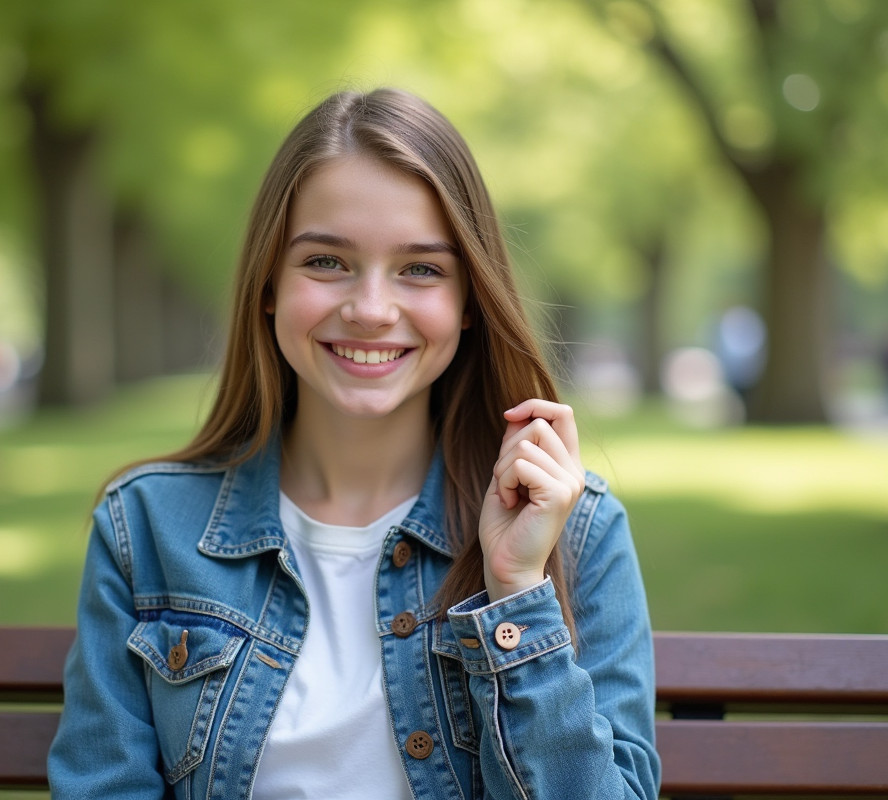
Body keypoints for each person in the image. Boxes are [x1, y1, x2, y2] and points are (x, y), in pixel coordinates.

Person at [48, 88, 658, 800]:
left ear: (468, 304)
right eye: (327, 262)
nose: (371, 309)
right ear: (268, 285)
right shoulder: (146, 528)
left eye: (421, 269)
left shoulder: (577, 530)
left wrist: (515, 591)